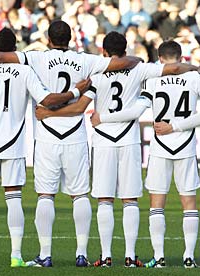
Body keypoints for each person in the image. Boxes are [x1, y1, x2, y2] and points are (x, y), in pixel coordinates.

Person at [0, 20, 141, 267]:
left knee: (45, 196)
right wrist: (136, 60)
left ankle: (45, 255)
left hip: (47, 134)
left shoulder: (36, 58)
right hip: (75, 134)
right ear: (70, 39)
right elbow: (123, 62)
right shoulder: (86, 60)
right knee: (79, 195)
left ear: (48, 39)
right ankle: (81, 253)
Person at [35, 32, 199, 267]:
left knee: (105, 199)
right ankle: (131, 257)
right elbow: (172, 70)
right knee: (130, 200)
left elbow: (79, 107)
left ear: (104, 52)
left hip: (103, 140)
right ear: (126, 50)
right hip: (129, 139)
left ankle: (105, 256)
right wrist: (194, 67)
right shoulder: (140, 69)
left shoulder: (98, 71)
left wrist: (49, 113)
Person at [0, 27, 91, 268]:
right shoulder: (25, 70)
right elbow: (48, 100)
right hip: (14, 143)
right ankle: (16, 256)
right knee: (14, 199)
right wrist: (77, 90)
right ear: (16, 49)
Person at [91, 40, 200, 268]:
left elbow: (135, 111)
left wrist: (103, 117)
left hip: (160, 147)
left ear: (160, 59)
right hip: (186, 145)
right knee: (189, 203)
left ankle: (159, 258)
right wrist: (178, 126)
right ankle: (188, 258)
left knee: (156, 204)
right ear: (181, 57)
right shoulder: (194, 77)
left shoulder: (152, 79)